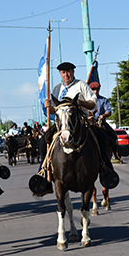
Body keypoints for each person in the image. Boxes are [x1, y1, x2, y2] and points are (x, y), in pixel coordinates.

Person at [39, 62, 113, 194]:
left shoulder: (81, 85)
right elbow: (52, 111)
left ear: (73, 72)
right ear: (60, 74)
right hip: (61, 125)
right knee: (42, 140)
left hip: (81, 122)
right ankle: (44, 173)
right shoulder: (57, 89)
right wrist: (48, 106)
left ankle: (105, 168)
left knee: (101, 136)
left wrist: (79, 102)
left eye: (68, 72)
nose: (66, 75)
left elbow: (92, 103)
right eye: (63, 72)